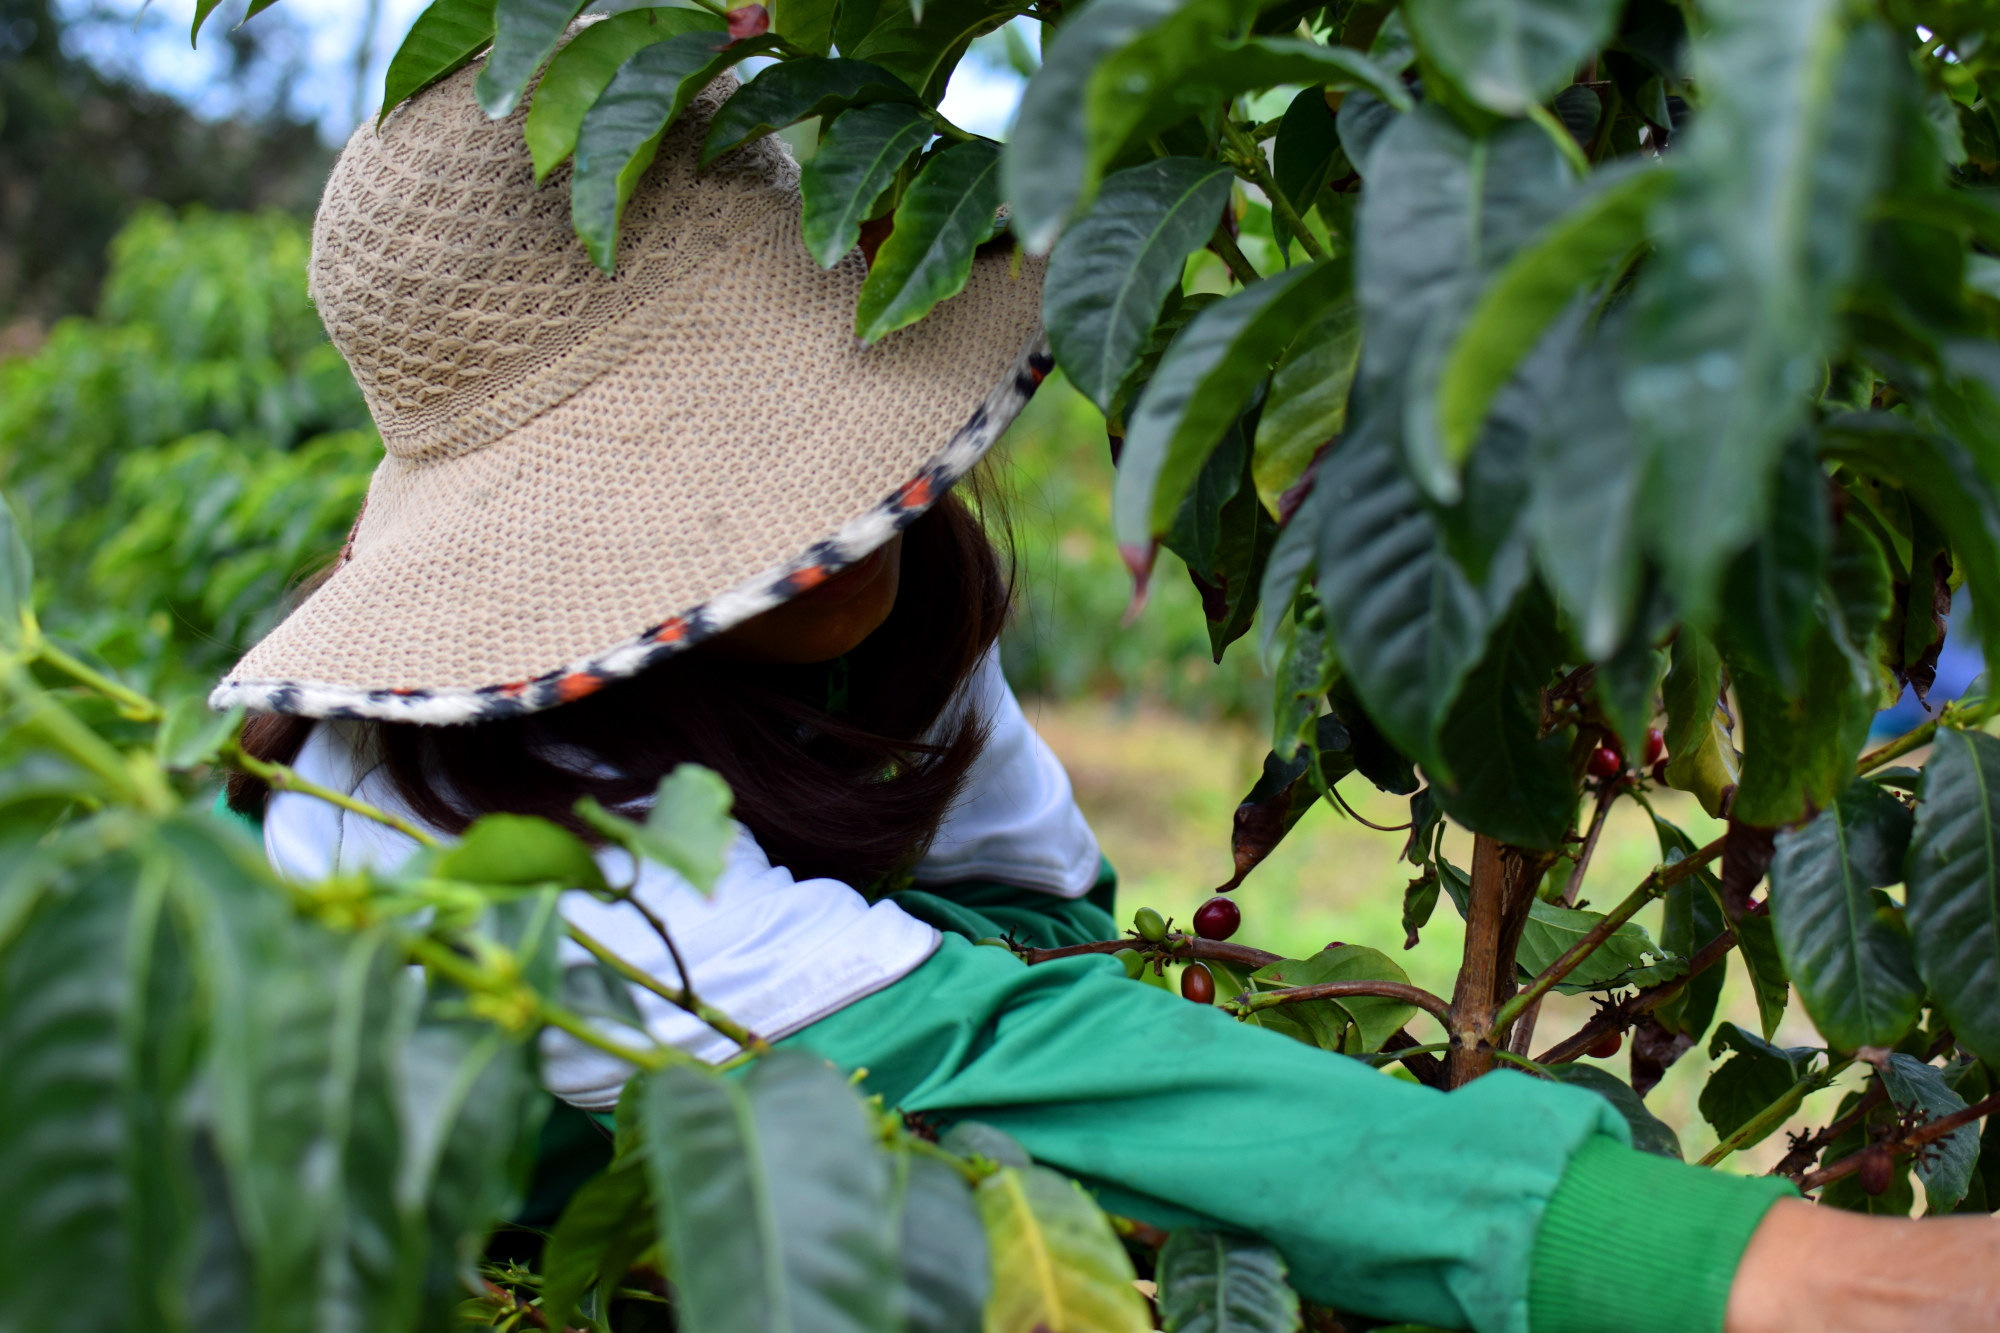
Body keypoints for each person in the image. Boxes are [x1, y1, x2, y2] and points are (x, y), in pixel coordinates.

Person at [215, 55, 2000, 1333]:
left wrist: (1220, 1162)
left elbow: (1032, 925)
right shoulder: (418, 803)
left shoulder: (906, 624)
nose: (833, 532)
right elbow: (960, 1049)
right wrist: (1714, 1264)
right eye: (719, 500)